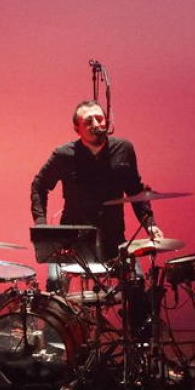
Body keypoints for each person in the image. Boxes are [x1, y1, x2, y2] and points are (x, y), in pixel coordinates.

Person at [30, 100, 166, 333]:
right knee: (55, 285)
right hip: (72, 241)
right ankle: (59, 342)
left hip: (113, 238)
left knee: (136, 283)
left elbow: (135, 191)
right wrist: (42, 226)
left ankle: (138, 344)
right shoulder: (64, 154)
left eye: (99, 118)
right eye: (88, 121)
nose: (96, 124)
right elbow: (39, 185)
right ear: (77, 129)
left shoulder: (124, 149)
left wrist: (150, 225)